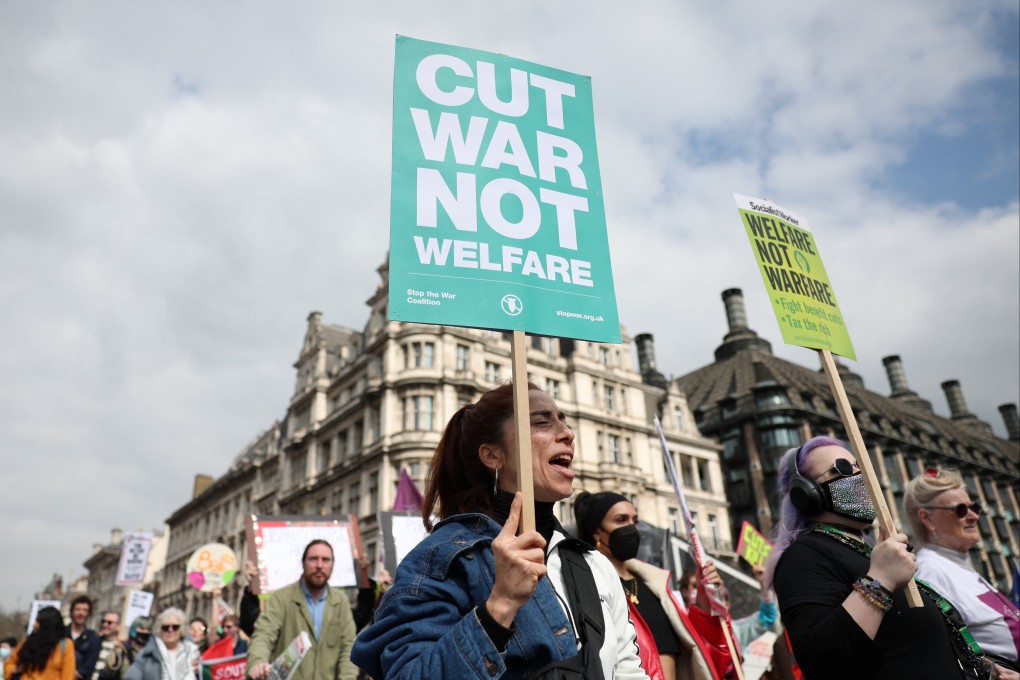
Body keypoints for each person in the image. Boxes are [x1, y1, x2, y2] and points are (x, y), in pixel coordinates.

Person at [351, 381, 651, 679]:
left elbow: (628, 670)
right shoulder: (440, 560)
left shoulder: (594, 564)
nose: (568, 434)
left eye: (564, 421)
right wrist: (500, 605)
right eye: (542, 422)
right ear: (492, 455)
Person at [767, 436, 998, 679]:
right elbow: (821, 661)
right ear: (807, 493)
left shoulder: (867, 552)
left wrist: (988, 670)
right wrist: (881, 580)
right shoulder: (804, 555)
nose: (861, 476)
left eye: (860, 467)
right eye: (844, 468)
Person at [574, 490, 729, 680]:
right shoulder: (590, 586)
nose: (632, 527)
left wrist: (704, 601)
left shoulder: (656, 585)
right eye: (621, 520)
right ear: (597, 531)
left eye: (635, 520)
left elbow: (701, 649)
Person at [905, 468, 1020, 678]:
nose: (974, 516)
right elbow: (942, 656)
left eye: (973, 507)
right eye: (960, 509)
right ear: (928, 519)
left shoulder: (956, 566)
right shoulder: (931, 573)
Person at [246, 539, 358, 680]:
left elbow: (349, 648)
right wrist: (258, 662)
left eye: (325, 560)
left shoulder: (341, 602)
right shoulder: (281, 598)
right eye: (313, 559)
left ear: (332, 565)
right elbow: (263, 634)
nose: (319, 565)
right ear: (303, 563)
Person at [124, 608, 199, 680]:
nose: (170, 630)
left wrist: (199, 672)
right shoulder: (147, 654)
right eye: (166, 627)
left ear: (181, 629)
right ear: (160, 629)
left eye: (175, 627)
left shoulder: (192, 653)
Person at [4, 606, 75, 680]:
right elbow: (9, 663)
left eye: (38, 622)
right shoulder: (27, 643)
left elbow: (68, 676)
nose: (34, 625)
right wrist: (14, 670)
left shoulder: (65, 645)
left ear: (48, 625)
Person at [67, 596, 101, 680]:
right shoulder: (61, 633)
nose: (81, 613)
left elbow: (90, 663)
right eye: (78, 609)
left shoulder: (93, 638)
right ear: (72, 612)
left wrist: (76, 674)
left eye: (85, 610)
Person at [91, 612, 127, 680]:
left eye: (109, 623)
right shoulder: (94, 641)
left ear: (118, 626)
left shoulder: (121, 648)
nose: (105, 625)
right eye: (103, 622)